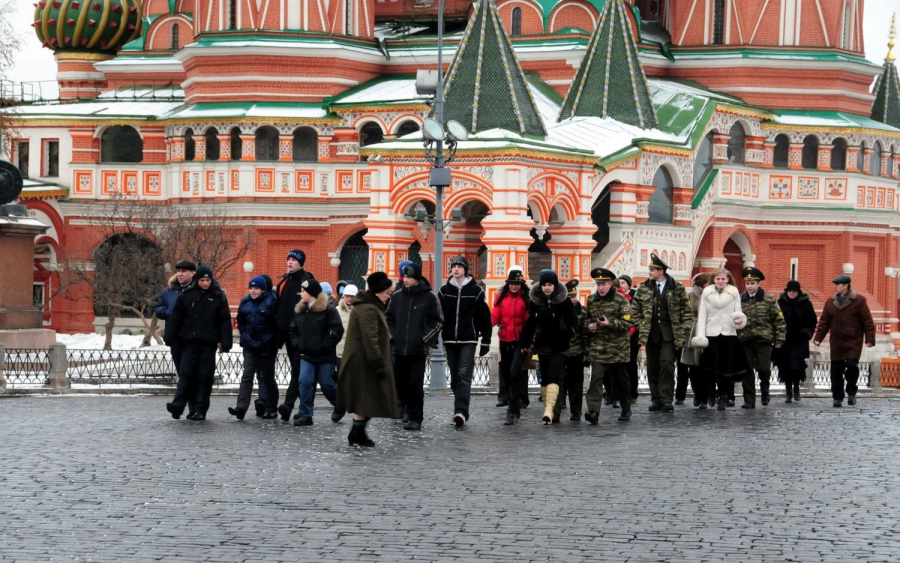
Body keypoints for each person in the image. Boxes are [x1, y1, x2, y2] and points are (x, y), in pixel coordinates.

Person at [337, 272, 400, 447]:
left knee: (366, 400)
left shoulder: (369, 306)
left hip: (364, 361)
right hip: (365, 363)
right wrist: (378, 362)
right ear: (379, 291)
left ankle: (357, 433)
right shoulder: (368, 309)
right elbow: (370, 337)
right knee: (367, 399)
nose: (388, 296)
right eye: (387, 292)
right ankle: (356, 433)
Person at [164, 266, 233, 421]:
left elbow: (224, 321)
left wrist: (225, 342)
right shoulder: (187, 296)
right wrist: (170, 337)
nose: (205, 283)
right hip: (189, 342)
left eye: (208, 280)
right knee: (186, 374)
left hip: (208, 344)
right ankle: (178, 405)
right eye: (202, 280)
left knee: (204, 377)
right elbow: (176, 318)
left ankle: (200, 410)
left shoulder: (218, 297)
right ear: (197, 280)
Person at [631, 253, 693, 413]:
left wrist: (684, 327)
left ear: (661, 271)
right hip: (650, 333)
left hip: (670, 333)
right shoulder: (644, 287)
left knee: (667, 363)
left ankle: (666, 399)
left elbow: (686, 310)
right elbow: (635, 309)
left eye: (652, 269)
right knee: (652, 366)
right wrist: (640, 325)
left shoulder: (676, 287)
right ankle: (655, 398)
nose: (650, 272)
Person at [386, 262, 443, 431]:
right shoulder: (396, 297)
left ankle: (416, 418)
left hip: (418, 349)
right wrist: (393, 336)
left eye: (409, 277)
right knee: (400, 383)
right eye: (405, 277)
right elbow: (388, 319)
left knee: (415, 384)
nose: (406, 280)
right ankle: (404, 409)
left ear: (417, 278)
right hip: (399, 348)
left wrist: (423, 338)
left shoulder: (430, 297)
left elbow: (437, 321)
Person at [438, 256, 492, 427]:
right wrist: (436, 335)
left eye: (459, 266)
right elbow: (438, 315)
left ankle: (461, 411)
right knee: (454, 377)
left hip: (469, 338)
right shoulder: (444, 291)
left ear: (465, 270)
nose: (456, 269)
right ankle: (460, 405)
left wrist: (486, 341)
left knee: (464, 374)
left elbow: (484, 317)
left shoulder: (476, 291)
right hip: (449, 339)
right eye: (453, 266)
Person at [519, 270, 577, 425]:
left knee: (554, 376)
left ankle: (549, 410)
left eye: (550, 284)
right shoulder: (536, 302)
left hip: (559, 346)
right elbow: (530, 324)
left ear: (555, 285)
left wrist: (567, 332)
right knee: (544, 378)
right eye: (544, 284)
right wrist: (525, 343)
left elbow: (574, 321)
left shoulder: (564, 301)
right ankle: (548, 409)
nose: (547, 288)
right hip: (542, 345)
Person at [813, 274, 876, 407]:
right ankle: (837, 397)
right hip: (836, 341)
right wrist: (818, 337)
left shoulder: (859, 300)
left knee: (852, 366)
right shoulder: (830, 302)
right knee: (836, 371)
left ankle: (851, 392)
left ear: (846, 286)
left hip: (853, 340)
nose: (834, 286)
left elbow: (867, 321)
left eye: (837, 284)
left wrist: (870, 338)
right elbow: (824, 322)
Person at [691, 268, 749, 411]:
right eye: (718, 279)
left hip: (728, 333)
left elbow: (738, 311)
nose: (721, 281)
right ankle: (711, 392)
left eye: (723, 279)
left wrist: (739, 319)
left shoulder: (734, 292)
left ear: (728, 279)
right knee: (709, 367)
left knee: (726, 368)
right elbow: (702, 315)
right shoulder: (707, 292)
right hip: (711, 333)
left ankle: (723, 396)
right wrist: (700, 334)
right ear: (714, 280)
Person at [288, 279, 344, 426]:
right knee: (304, 381)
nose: (301, 294)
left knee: (327, 384)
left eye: (304, 291)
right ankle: (306, 414)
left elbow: (337, 330)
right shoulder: (300, 310)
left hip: (325, 355)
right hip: (306, 354)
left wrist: (325, 345)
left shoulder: (329, 310)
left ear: (312, 294)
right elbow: (293, 330)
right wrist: (297, 343)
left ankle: (340, 403)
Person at [582, 268, 633, 423]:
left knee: (621, 380)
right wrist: (589, 325)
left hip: (618, 348)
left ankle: (626, 408)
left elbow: (628, 322)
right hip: (598, 348)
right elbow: (585, 319)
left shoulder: (621, 300)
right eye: (598, 284)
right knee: (596, 380)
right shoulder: (591, 300)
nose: (601, 288)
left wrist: (609, 323)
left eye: (603, 284)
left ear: (611, 283)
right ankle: (593, 412)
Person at [230, 276, 279, 420]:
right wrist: (247, 339)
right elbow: (241, 323)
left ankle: (267, 405)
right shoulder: (245, 302)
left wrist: (264, 341)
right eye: (251, 288)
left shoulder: (271, 302)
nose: (253, 291)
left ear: (263, 289)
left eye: (256, 288)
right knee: (247, 375)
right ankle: (241, 408)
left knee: (265, 376)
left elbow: (274, 326)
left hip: (267, 346)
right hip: (249, 345)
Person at [274, 249, 315, 421]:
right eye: (288, 259)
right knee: (298, 372)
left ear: (301, 262)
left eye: (294, 260)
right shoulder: (283, 282)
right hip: (285, 334)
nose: (290, 262)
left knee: (299, 371)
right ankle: (293, 406)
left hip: (301, 335)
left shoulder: (307, 281)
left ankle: (289, 405)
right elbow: (280, 309)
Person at [737, 267, 786, 408]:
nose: (750, 286)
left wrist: (779, 338)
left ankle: (765, 390)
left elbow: (778, 320)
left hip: (763, 339)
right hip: (745, 340)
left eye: (752, 283)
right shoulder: (740, 299)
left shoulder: (768, 299)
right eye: (747, 283)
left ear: (758, 284)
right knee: (747, 370)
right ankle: (749, 400)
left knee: (763, 368)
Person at [156, 260, 196, 415]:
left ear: (192, 273)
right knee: (183, 373)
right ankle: (192, 410)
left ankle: (183, 407)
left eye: (184, 271)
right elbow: (159, 308)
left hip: (192, 338)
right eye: (178, 271)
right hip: (175, 338)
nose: (180, 274)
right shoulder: (169, 291)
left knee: (187, 373)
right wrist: (168, 313)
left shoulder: (196, 290)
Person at [491, 267, 530, 411]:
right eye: (512, 283)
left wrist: (528, 340)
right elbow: (495, 315)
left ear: (521, 285)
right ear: (508, 284)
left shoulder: (526, 298)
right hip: (505, 338)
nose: (514, 286)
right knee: (505, 368)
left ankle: (521, 398)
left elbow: (528, 321)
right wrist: (489, 325)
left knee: (518, 369)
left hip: (520, 339)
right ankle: (504, 397)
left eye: (517, 284)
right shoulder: (500, 297)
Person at [774, 280, 817, 403]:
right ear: (786, 291)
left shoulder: (806, 304)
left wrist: (807, 333)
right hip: (784, 340)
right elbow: (774, 320)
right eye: (790, 291)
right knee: (785, 366)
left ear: (798, 292)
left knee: (796, 366)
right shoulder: (779, 304)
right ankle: (788, 391)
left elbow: (812, 321)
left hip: (799, 340)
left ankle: (796, 389)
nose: (792, 293)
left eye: (795, 291)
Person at [552, 279, 587, 423]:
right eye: (570, 297)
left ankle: (576, 412)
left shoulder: (583, 311)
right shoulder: (557, 310)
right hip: (560, 352)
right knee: (558, 384)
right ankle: (556, 413)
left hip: (576, 352)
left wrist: (587, 353)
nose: (573, 300)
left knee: (576, 384)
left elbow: (586, 334)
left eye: (574, 296)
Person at [680, 273, 715, 409]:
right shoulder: (689, 296)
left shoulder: (712, 297)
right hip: (692, 333)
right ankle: (697, 394)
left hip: (708, 331)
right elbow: (683, 314)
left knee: (705, 367)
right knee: (693, 368)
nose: (702, 289)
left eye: (705, 286)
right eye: (701, 287)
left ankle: (706, 396)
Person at [618, 275, 640, 402]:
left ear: (628, 284)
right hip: (619, 336)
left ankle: (633, 392)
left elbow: (637, 315)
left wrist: (632, 331)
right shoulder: (617, 296)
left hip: (633, 337)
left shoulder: (635, 296)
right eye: (619, 282)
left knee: (631, 365)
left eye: (623, 282)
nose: (621, 284)